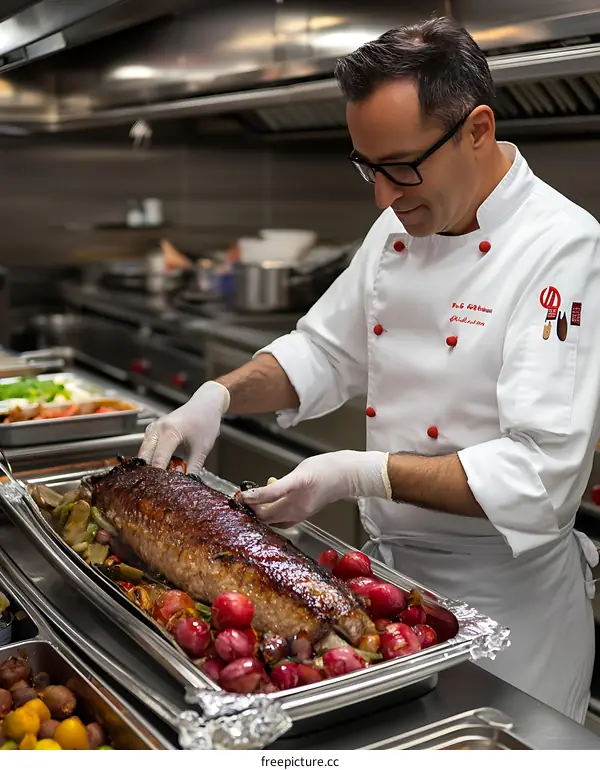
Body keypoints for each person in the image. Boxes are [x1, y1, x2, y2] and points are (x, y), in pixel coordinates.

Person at [139, 17, 600, 722]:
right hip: (387, 589)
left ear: (477, 129)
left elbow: (538, 479)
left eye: (401, 166)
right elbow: (324, 350)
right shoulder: (400, 223)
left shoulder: (564, 248)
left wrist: (358, 473)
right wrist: (217, 396)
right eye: (367, 166)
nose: (382, 196)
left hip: (512, 616)